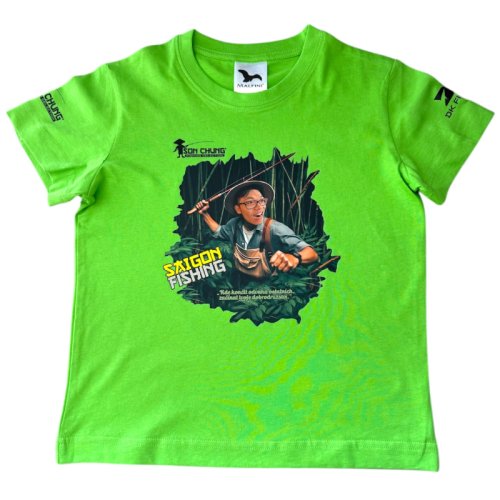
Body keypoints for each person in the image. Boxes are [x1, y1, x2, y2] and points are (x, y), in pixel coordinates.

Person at [195, 180, 319, 280]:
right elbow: (219, 231)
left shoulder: (275, 229)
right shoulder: (234, 225)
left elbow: (312, 254)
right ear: (238, 209)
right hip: (240, 284)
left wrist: (295, 258)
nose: (259, 207)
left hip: (268, 290)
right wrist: (205, 214)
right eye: (250, 202)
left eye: (261, 201)